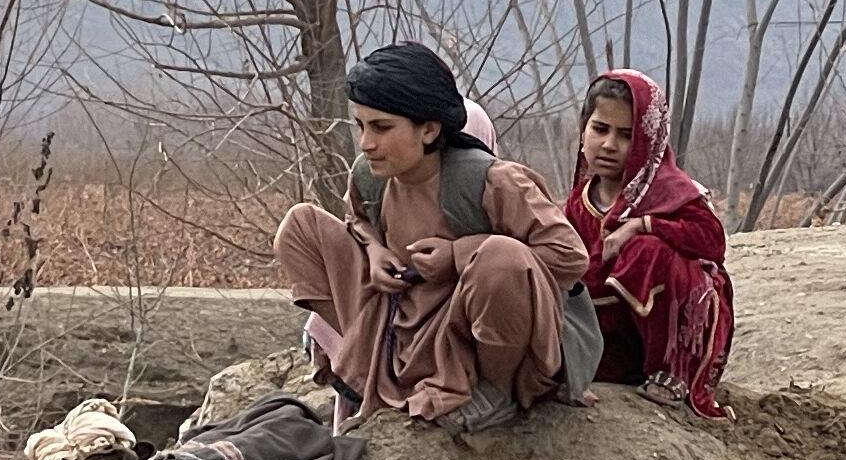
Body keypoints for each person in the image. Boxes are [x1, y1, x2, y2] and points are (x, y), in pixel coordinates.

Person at [275, 40, 595, 434]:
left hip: (479, 338)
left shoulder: (492, 180)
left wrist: (460, 255)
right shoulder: (368, 176)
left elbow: (569, 255)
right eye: (360, 126)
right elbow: (354, 219)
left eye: (381, 127)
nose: (366, 143)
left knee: (501, 259)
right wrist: (374, 251)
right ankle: (366, 361)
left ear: (428, 129)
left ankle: (492, 392)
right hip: (400, 322)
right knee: (299, 225)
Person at [567, 68, 735, 420]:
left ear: (647, 141)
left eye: (626, 135)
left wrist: (643, 225)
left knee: (647, 251)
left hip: (674, 325)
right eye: (600, 129)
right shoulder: (577, 203)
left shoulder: (672, 192)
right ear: (583, 128)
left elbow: (712, 241)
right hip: (614, 327)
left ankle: (673, 371)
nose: (610, 145)